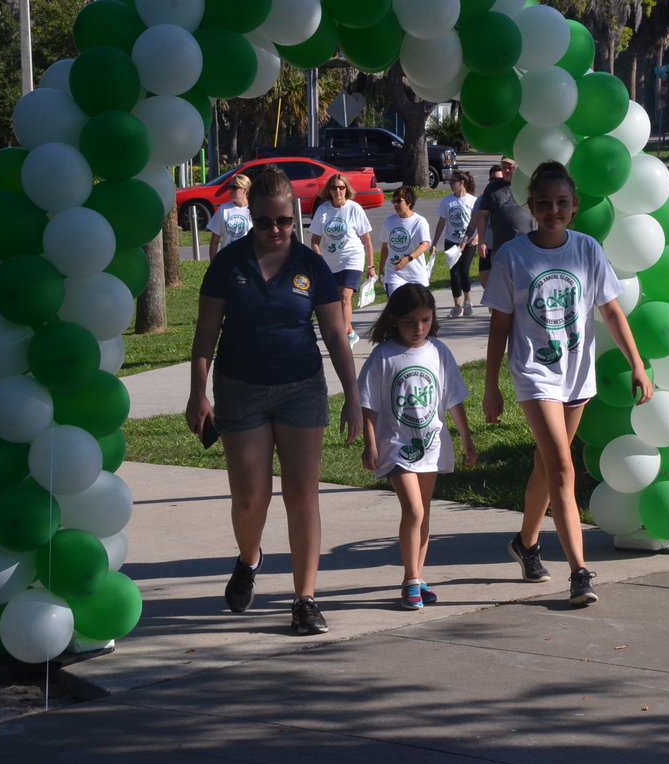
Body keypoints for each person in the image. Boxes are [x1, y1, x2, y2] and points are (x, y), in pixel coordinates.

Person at [187, 168, 363, 636]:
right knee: (250, 499)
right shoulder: (229, 265)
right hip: (239, 389)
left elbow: (334, 334)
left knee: (302, 495)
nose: (274, 231)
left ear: (295, 217)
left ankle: (305, 599)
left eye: (283, 221)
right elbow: (205, 335)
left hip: (301, 388)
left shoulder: (311, 265)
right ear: (252, 220)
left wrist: (353, 393)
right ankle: (249, 559)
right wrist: (196, 393)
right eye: (264, 222)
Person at [481, 160, 653, 608]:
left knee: (546, 465)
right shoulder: (513, 257)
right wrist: (491, 385)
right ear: (531, 206)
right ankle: (579, 571)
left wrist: (636, 362)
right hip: (535, 373)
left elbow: (612, 311)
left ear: (574, 207)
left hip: (577, 374)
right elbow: (500, 325)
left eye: (561, 203)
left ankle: (526, 543)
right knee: (562, 467)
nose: (552, 211)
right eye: (544, 204)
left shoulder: (587, 250)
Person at [358, 284, 477, 610]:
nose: (419, 328)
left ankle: (418, 576)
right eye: (411, 321)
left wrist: (466, 438)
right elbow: (367, 405)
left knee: (423, 513)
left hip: (432, 444)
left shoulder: (438, 351)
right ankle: (410, 579)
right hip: (396, 445)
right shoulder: (384, 356)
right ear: (394, 319)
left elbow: (453, 399)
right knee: (413, 509)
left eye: (425, 320)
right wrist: (370, 444)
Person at [310, 173, 375, 347]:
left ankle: (342, 340)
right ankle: (350, 332)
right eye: (334, 187)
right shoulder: (323, 210)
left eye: (341, 187)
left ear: (346, 189)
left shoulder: (354, 209)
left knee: (345, 297)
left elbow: (366, 239)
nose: (338, 191)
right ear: (329, 190)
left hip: (352, 257)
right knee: (337, 300)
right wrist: (320, 260)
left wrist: (371, 265)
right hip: (330, 262)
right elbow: (314, 241)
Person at [471, 157, 534, 290]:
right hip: (501, 247)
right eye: (503, 166)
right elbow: (482, 216)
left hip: (526, 244)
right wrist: (482, 241)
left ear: (517, 166)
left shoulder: (526, 184)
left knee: (525, 283)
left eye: (510, 166)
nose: (506, 170)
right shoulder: (492, 188)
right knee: (502, 285)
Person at [431, 171, 479, 318]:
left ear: (461, 183)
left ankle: (468, 301)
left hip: (469, 242)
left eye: (453, 182)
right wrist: (435, 242)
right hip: (451, 241)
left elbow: (478, 221)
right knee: (454, 273)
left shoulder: (472, 201)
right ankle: (457, 306)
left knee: (464, 270)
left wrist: (476, 237)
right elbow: (441, 222)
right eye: (449, 182)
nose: (450, 185)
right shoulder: (447, 201)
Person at [379, 186, 432, 296]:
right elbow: (385, 247)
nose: (396, 205)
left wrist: (408, 259)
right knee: (396, 309)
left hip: (416, 274)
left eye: (399, 201)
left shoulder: (419, 222)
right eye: (394, 201)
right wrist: (381, 270)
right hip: (394, 274)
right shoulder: (389, 222)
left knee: (418, 310)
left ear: (409, 202)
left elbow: (424, 245)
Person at [206, 173, 252, 259]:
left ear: (245, 190)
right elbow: (214, 242)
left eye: (234, 188)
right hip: (228, 259)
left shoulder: (254, 209)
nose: (230, 190)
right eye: (229, 187)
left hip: (248, 260)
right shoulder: (223, 209)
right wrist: (214, 266)